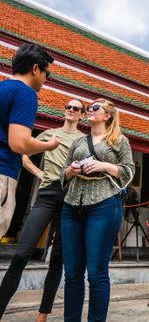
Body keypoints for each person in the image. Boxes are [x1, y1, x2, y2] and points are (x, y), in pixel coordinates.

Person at [0, 99, 85, 321]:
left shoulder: (83, 141)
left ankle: (43, 313)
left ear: (81, 115)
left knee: (58, 258)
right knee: (21, 254)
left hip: (71, 198)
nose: (70, 110)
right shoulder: (50, 133)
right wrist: (38, 173)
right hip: (47, 194)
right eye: (68, 107)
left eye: (76, 108)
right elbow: (24, 153)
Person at [60, 98, 135, 322]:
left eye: (95, 108)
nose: (89, 110)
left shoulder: (119, 141)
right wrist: (72, 171)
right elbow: (62, 173)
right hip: (72, 205)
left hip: (104, 205)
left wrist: (104, 166)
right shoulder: (79, 142)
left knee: (96, 273)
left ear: (107, 115)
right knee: (72, 273)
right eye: (88, 108)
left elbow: (130, 172)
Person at [0, 43, 60, 239]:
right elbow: (19, 143)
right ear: (35, 68)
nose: (45, 80)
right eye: (46, 74)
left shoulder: (3, 87)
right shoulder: (26, 93)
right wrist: (48, 145)